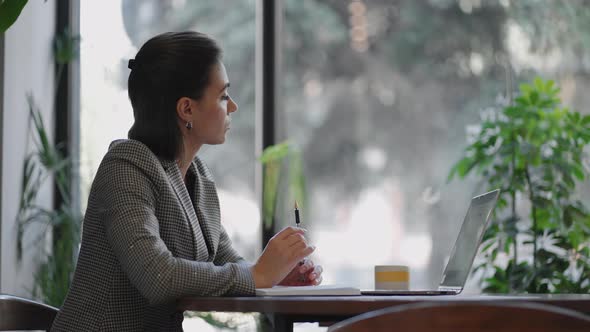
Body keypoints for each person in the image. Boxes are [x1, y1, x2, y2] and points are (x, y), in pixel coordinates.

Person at [51, 31, 322, 331]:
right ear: (186, 109)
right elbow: (158, 277)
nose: (232, 107)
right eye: (222, 96)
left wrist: (276, 275)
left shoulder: (198, 177)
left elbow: (226, 263)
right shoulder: (124, 166)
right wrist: (256, 275)